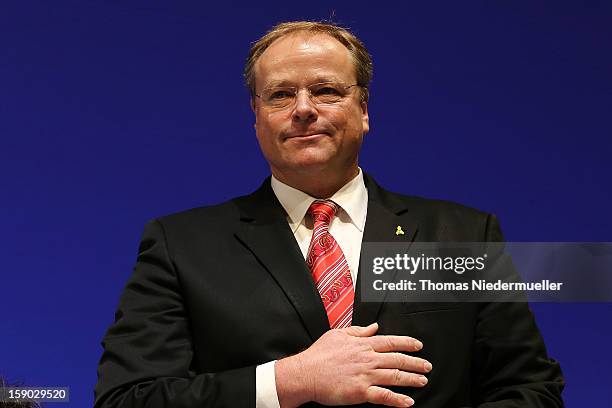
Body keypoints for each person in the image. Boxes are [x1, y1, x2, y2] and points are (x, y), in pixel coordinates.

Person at [94, 21, 564, 407]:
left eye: (325, 91)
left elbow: (529, 389)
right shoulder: (182, 246)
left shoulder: (463, 235)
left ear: (363, 110)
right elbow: (128, 399)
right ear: (256, 118)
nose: (303, 110)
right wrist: (287, 380)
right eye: (280, 95)